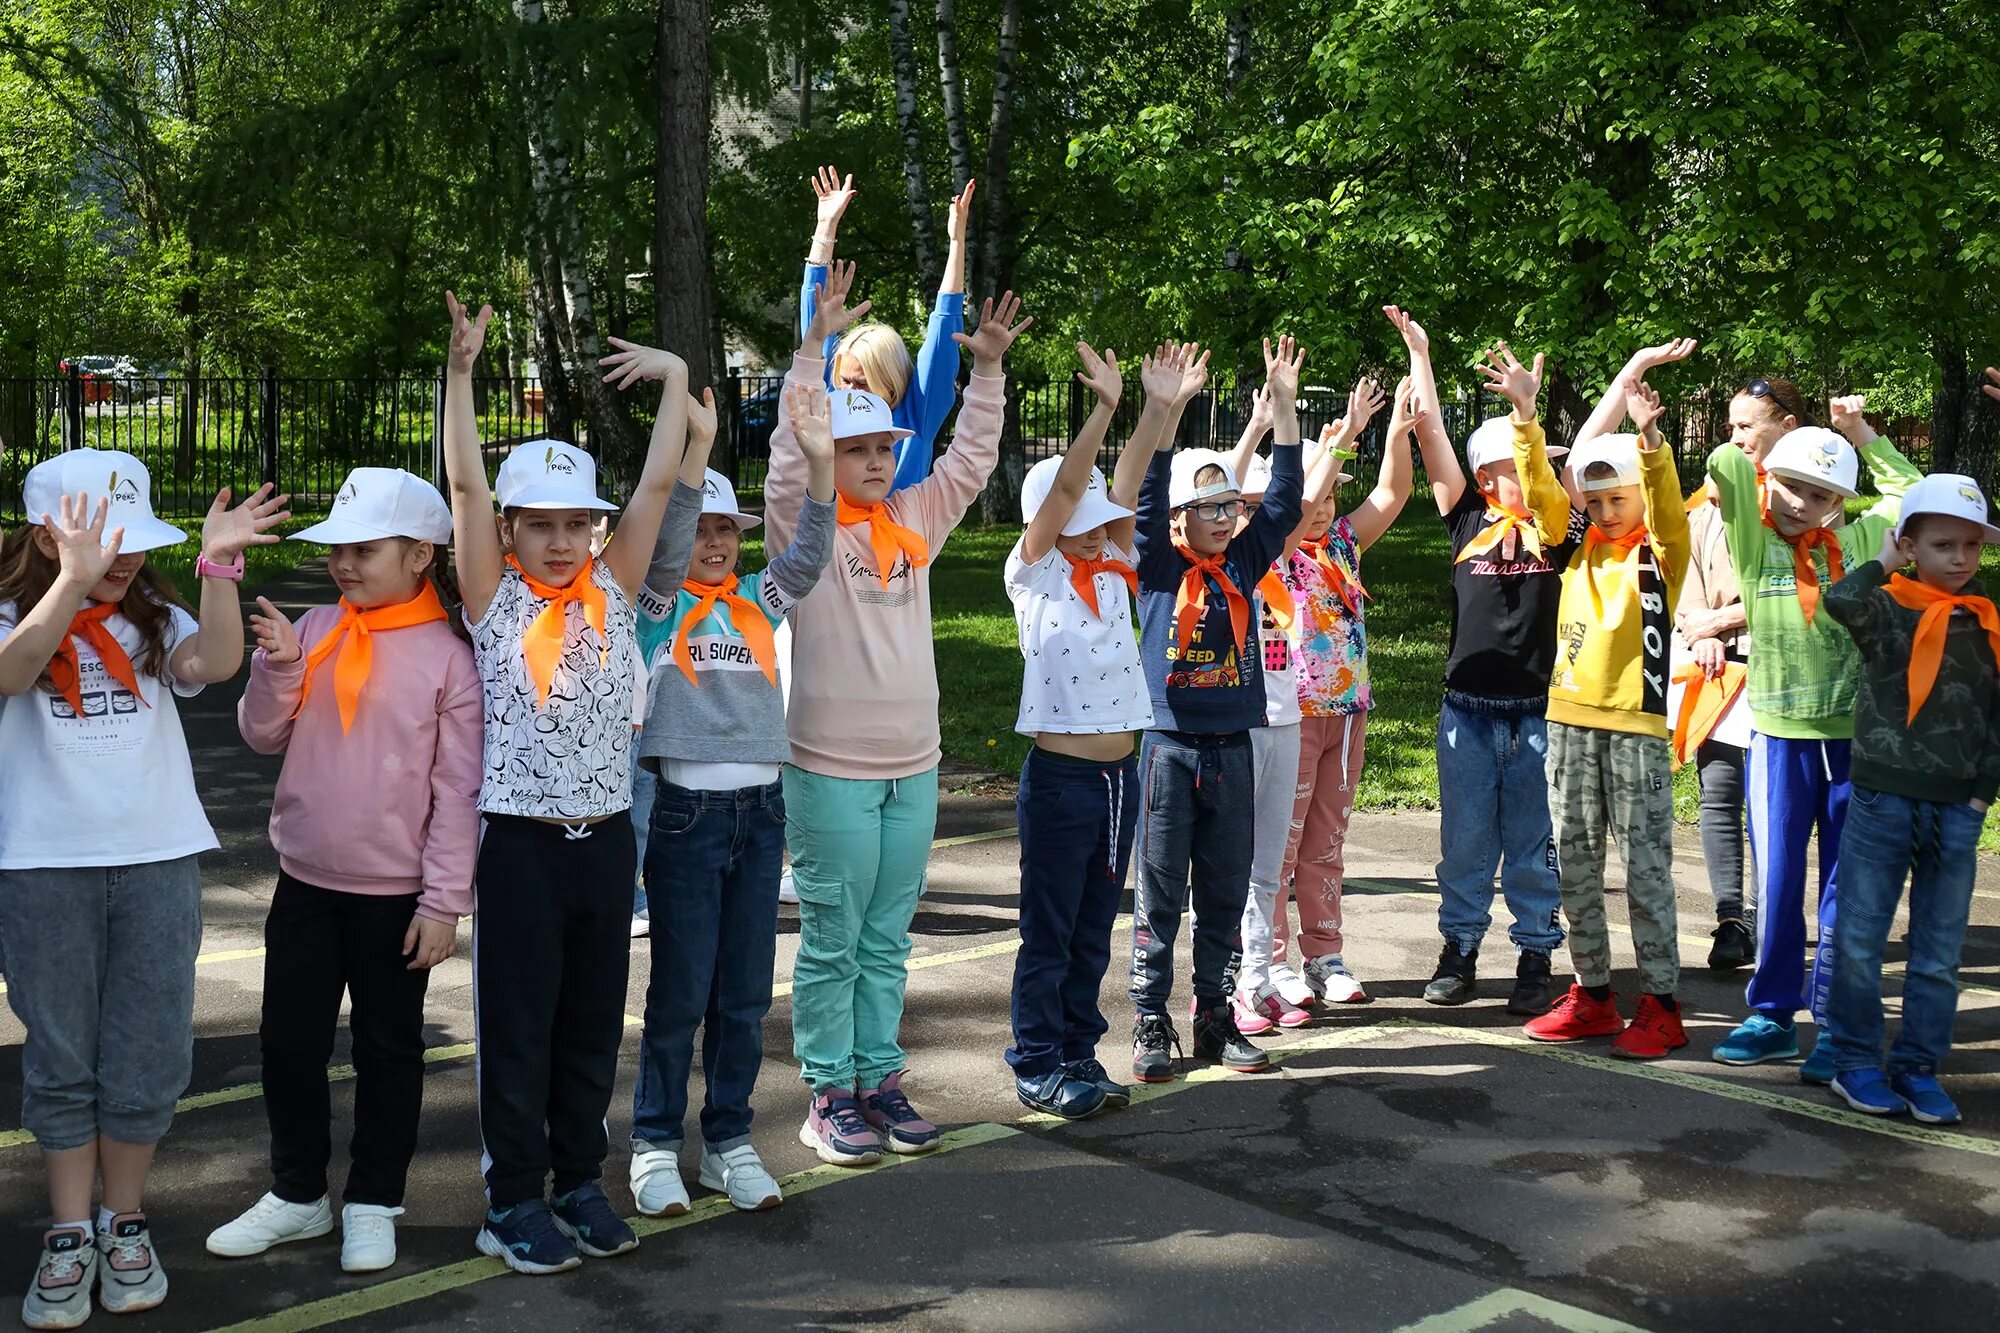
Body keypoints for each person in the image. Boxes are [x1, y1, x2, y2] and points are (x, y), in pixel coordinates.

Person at [0, 450, 286, 1329]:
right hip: (43, 866)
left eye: (137, 542)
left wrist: (218, 567)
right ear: (49, 536)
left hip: (157, 858)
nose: (126, 560)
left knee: (150, 1051)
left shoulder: (151, 612)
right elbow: (11, 672)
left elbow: (220, 659)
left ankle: (124, 1222)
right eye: (105, 544)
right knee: (61, 1055)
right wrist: (73, 586)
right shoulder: (16, 611)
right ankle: (68, 1229)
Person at [442, 291, 687, 1274]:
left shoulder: (611, 590)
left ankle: (579, 1179)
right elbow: (462, 490)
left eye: (573, 523)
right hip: (522, 847)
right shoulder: (494, 605)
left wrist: (672, 380)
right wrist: (459, 375)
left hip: (605, 841)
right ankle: (511, 1199)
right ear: (508, 531)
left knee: (590, 1023)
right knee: (519, 1029)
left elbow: (660, 485)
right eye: (536, 524)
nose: (558, 540)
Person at [768, 262, 1028, 1165]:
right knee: (834, 936)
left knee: (887, 934)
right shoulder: (803, 521)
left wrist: (987, 370)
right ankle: (827, 1091)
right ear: (826, 458)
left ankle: (879, 1076)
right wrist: (812, 347)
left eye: (885, 446)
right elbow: (785, 448)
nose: (877, 460)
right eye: (857, 449)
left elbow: (973, 458)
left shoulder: (916, 514)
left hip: (913, 762)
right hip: (828, 762)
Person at [208, 468, 479, 1275]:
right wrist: (281, 666)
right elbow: (261, 735)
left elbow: (458, 792)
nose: (343, 563)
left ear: (421, 554)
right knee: (288, 1044)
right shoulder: (318, 624)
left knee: (387, 1051)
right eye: (336, 549)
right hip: (306, 884)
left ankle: (372, 1199)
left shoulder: (448, 659)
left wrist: (443, 900)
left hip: (396, 898)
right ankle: (298, 1192)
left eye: (363, 549)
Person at [625, 376, 835, 1214]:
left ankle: (728, 1138)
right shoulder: (655, 604)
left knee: (745, 991)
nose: (714, 542)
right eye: (703, 528)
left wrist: (820, 467)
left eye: (726, 530)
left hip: (759, 814)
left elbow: (811, 554)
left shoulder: (758, 600)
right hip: (685, 817)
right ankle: (651, 1142)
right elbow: (665, 546)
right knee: (679, 989)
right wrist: (698, 454)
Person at [1705, 398, 1921, 1081]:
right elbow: (1722, 464)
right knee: (1777, 881)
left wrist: (1861, 434)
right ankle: (1771, 1013)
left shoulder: (1861, 544)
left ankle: (1836, 1021)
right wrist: (1764, 443)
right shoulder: (1754, 535)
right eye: (1792, 486)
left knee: (1846, 885)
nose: (1802, 503)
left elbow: (1910, 497)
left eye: (1821, 494)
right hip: (1778, 738)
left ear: (1840, 502)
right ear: (1770, 478)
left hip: (1856, 743)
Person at [1127, 332, 1304, 1083]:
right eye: (1208, 506)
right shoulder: (1159, 562)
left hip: (1234, 744)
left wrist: (1286, 408)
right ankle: (1148, 1021)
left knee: (1225, 891)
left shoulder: (1242, 561)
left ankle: (1214, 1015)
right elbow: (1142, 491)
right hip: (1170, 747)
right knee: (1161, 890)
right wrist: (1165, 412)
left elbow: (1288, 499)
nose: (1226, 515)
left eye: (1230, 504)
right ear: (1180, 516)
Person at [1508, 360, 1692, 1058]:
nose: (1609, 511)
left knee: (1645, 868)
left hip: (1636, 732)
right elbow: (1543, 500)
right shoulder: (1576, 547)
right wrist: (1527, 418)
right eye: (1599, 500)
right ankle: (1592, 994)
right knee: (1576, 864)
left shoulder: (1660, 554)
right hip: (1569, 721)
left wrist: (1650, 443)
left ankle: (1663, 1002)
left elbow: (1670, 513)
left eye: (1622, 499)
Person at [1002, 341, 1157, 1119]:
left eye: (1105, 525)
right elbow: (1070, 486)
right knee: (1052, 927)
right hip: (1062, 781)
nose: (1098, 534)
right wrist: (1101, 409)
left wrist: (1155, 407)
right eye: (1082, 524)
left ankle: (1076, 1050)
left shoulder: (1115, 562)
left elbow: (1119, 483)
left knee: (1096, 926)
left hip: (1121, 776)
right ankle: (1035, 1058)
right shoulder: (1034, 571)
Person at [1819, 474, 2000, 1124]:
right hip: (1882, 802)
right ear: (1912, 545)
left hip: (1956, 809)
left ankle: (1919, 1065)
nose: (1959, 558)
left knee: (1937, 954)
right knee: (1863, 939)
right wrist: (1883, 560)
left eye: (1971, 547)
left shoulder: (1985, 617)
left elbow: (1995, 717)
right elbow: (1839, 598)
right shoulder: (1887, 609)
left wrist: (1980, 798)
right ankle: (1856, 1062)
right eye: (1943, 544)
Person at [1228, 369, 1401, 1030]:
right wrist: (1346, 434)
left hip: (1345, 712)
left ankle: (1323, 956)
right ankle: (1267, 964)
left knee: (1325, 842)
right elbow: (1296, 509)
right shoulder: (1268, 550)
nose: (1323, 506)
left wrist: (1391, 432)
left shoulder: (1339, 547)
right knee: (1278, 843)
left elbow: (1393, 492)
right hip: (1289, 714)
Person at [1676, 376, 1814, 971]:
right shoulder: (1710, 498)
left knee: (1773, 803)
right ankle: (1731, 919)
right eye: (1729, 426)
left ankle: (1771, 914)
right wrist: (1694, 631)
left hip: (1779, 670)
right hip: (1717, 669)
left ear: (1786, 426)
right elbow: (1681, 577)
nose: (1733, 437)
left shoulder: (1808, 498)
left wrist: (1721, 621)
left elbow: (1798, 585)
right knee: (1720, 795)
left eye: (1744, 426)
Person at [798, 166, 973, 493]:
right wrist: (825, 227)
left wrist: (956, 243)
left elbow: (942, 337)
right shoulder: (830, 405)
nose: (850, 391)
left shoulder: (916, 414)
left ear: (891, 383)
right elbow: (814, 324)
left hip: (900, 542)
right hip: (834, 540)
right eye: (845, 380)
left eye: (863, 383)